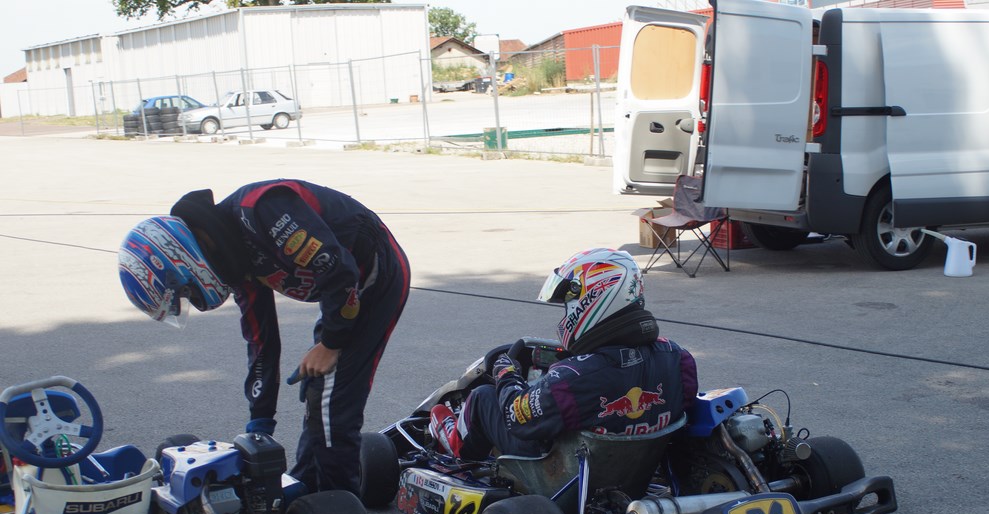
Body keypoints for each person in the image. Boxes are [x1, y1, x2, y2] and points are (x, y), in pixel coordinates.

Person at [118, 179, 410, 494]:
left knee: (333, 404)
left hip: (373, 271)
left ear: (181, 261)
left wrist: (331, 343)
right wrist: (260, 421)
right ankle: (306, 489)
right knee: (318, 388)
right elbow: (262, 341)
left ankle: (339, 506)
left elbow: (338, 269)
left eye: (184, 292)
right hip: (341, 294)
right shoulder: (234, 258)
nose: (191, 298)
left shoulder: (263, 211)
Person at [429, 248, 697, 461]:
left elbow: (517, 417)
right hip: (638, 469)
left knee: (482, 397)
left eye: (569, 302)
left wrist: (506, 374)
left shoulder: (574, 377)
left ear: (592, 298)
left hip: (561, 473)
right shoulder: (676, 357)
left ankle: (457, 450)